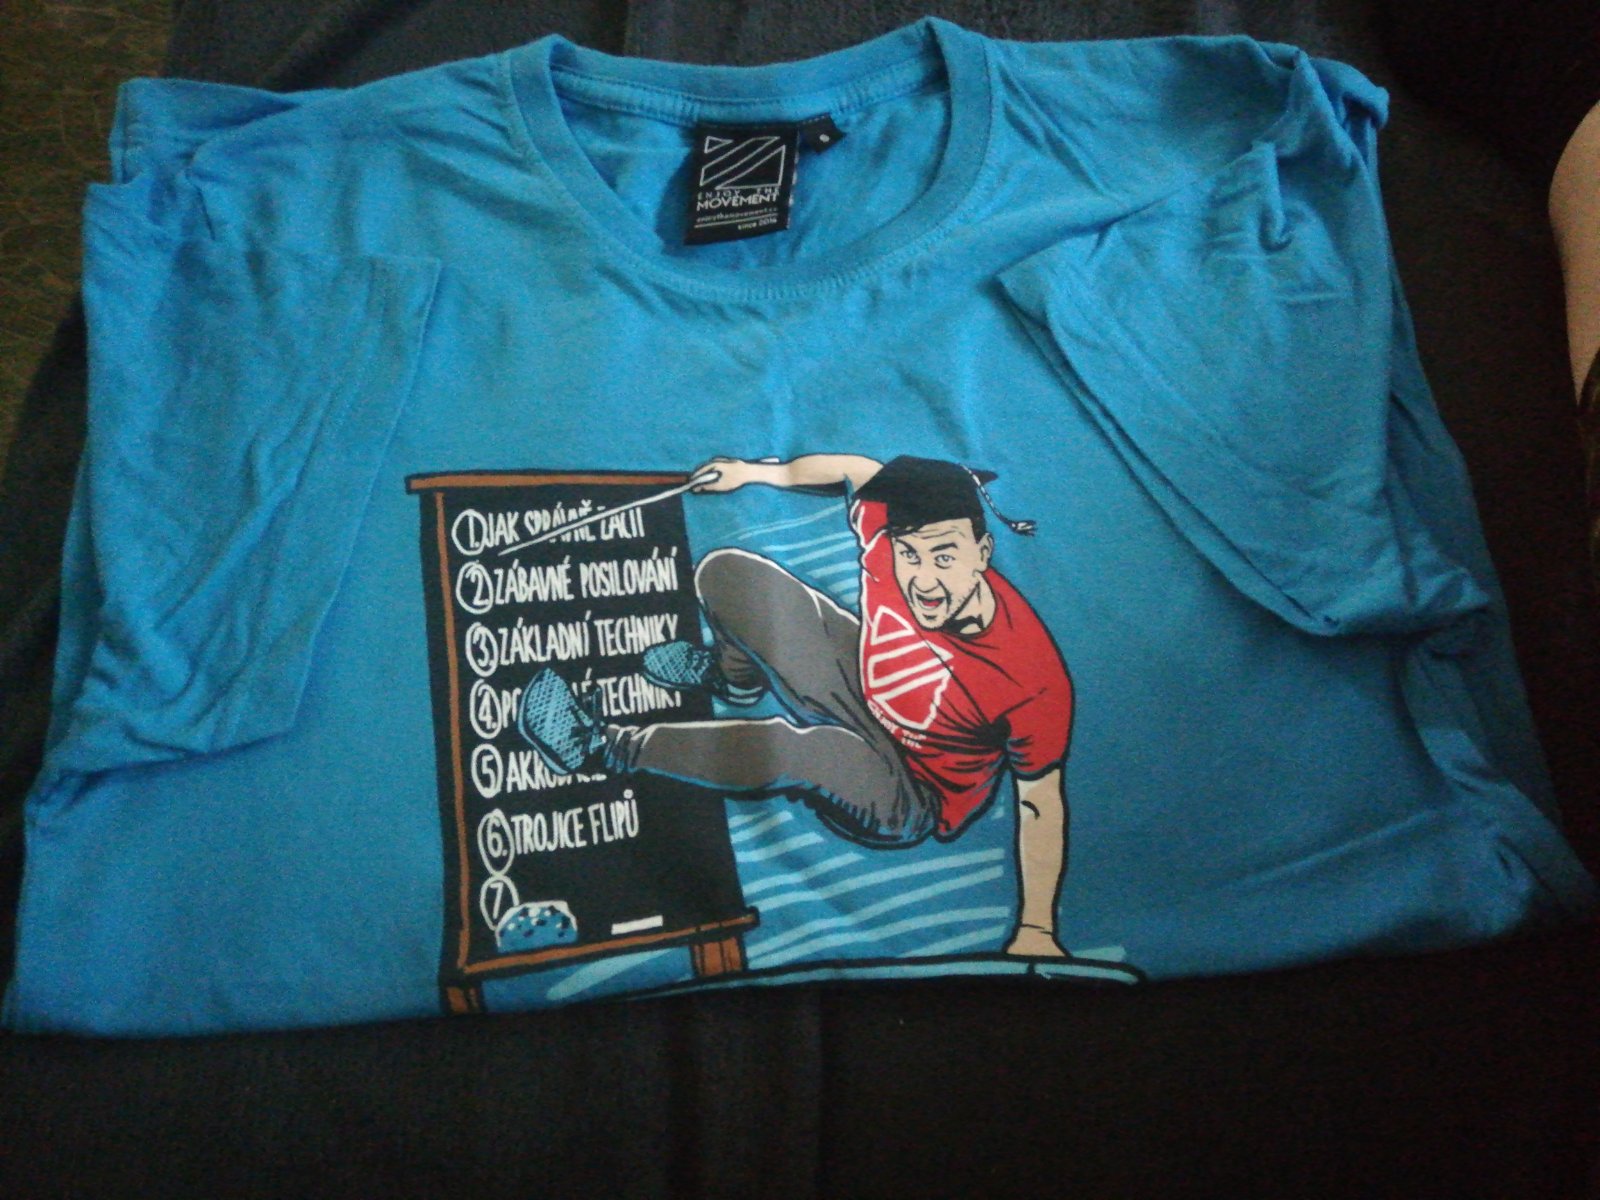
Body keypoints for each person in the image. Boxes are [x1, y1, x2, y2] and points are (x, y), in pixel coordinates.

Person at [516, 454, 1078, 958]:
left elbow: (1040, 804)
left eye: (944, 557)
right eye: (910, 555)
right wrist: (755, 473)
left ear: (983, 552)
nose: (924, 581)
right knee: (727, 573)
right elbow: (858, 469)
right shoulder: (885, 534)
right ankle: (734, 682)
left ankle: (600, 747)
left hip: (914, 793)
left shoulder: (1030, 678)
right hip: (864, 688)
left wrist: (1037, 929)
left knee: (803, 749)